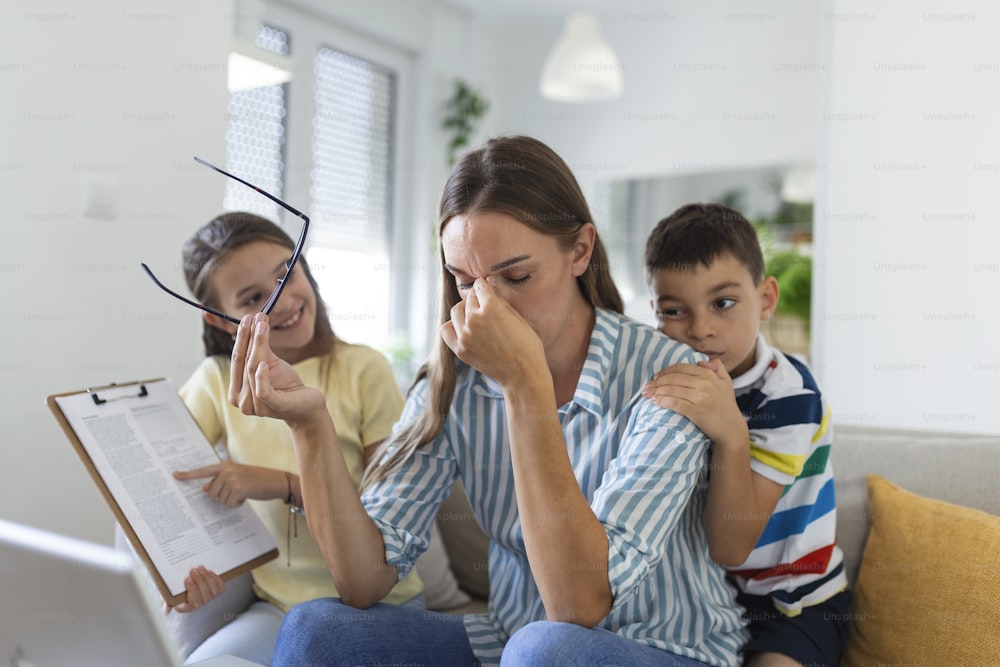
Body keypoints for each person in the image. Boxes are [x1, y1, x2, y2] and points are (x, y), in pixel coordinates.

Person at [226, 136, 749, 667]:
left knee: (547, 647)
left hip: (667, 650)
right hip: (513, 645)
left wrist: (525, 388)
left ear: (580, 251)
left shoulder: (673, 378)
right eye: (465, 282)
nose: (486, 308)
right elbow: (362, 581)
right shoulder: (453, 383)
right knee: (318, 629)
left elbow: (578, 606)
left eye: (517, 276)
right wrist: (309, 424)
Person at [168, 212, 423, 665]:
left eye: (286, 272)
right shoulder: (216, 380)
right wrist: (175, 577)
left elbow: (386, 517)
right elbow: (163, 479)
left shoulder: (365, 370)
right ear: (223, 321)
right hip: (277, 609)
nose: (282, 300)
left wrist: (279, 483)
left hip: (381, 606)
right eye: (252, 298)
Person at [641, 203, 850, 666]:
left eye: (724, 303)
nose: (701, 329)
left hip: (796, 602)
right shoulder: (671, 380)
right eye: (675, 311)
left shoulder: (791, 397)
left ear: (767, 299)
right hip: (708, 598)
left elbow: (731, 546)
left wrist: (732, 433)